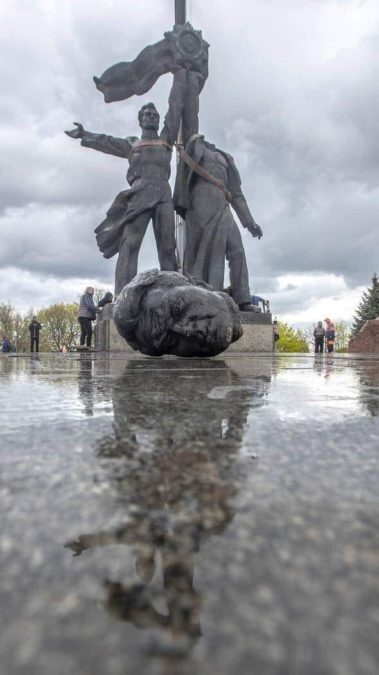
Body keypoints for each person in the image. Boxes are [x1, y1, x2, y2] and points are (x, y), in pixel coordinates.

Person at [65, 69, 200, 295]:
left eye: (154, 115)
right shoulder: (132, 144)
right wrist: (85, 135)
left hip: (163, 196)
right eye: (147, 115)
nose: (151, 117)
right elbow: (107, 142)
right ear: (140, 120)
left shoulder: (166, 138)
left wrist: (180, 76)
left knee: (168, 247)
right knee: (129, 244)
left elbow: (175, 106)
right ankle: (123, 295)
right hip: (139, 194)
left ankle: (176, 293)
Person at [174, 133, 262, 312]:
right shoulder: (195, 147)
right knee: (202, 252)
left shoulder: (226, 158)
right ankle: (201, 296)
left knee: (237, 250)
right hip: (200, 205)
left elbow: (237, 194)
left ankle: (242, 299)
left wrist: (249, 221)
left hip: (223, 205)